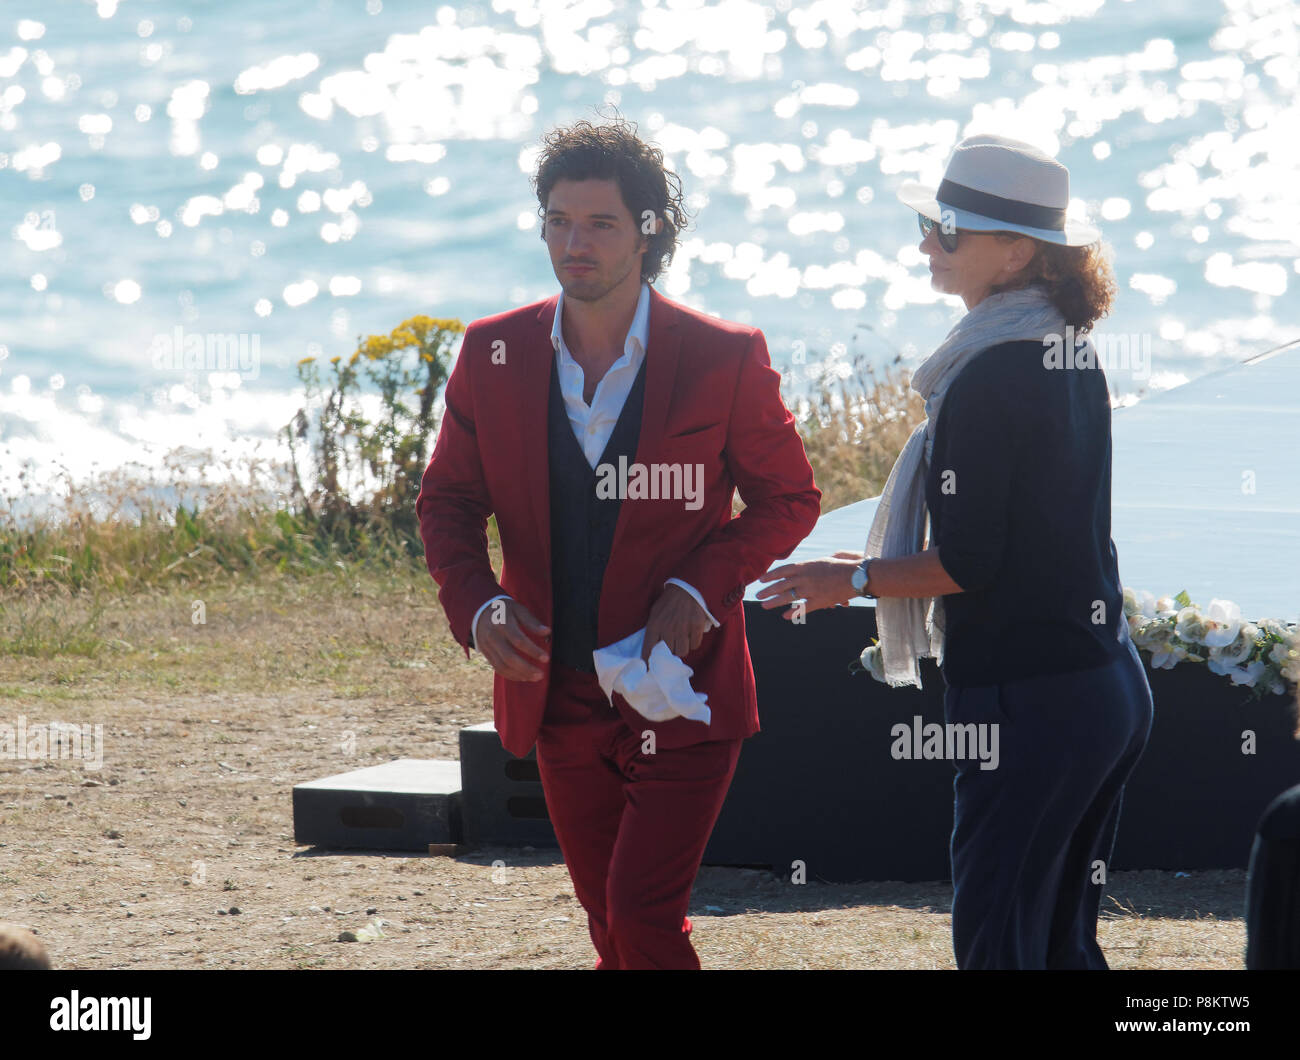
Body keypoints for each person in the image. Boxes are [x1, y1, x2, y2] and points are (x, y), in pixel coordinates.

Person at [416, 114, 820, 969]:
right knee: (609, 925)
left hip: (682, 695)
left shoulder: (723, 355)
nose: (575, 242)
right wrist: (478, 605)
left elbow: (789, 498)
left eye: (600, 222)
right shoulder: (492, 352)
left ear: (649, 231)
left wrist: (701, 585)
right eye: (559, 220)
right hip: (554, 694)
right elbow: (448, 500)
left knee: (640, 918)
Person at [757, 133, 1154, 969]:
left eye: (948, 231)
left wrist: (853, 578)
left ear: (1016, 254)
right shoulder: (1062, 347)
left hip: (1032, 701)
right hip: (1103, 685)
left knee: (996, 944)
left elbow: (973, 562)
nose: (927, 244)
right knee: (1056, 942)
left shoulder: (988, 375)